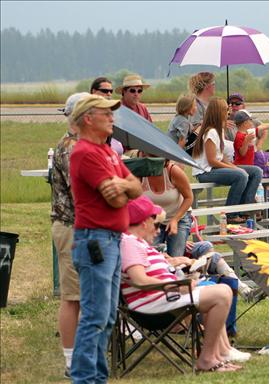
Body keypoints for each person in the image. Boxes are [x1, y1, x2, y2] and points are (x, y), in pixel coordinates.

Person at [120, 196, 250, 372]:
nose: (158, 231)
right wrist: (175, 286)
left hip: (162, 299)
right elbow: (139, 280)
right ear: (144, 222)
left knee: (218, 290)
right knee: (222, 293)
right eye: (156, 225)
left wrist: (181, 281)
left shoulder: (137, 243)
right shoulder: (129, 242)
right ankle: (208, 358)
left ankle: (219, 353)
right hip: (153, 305)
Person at [69, 94, 143, 383]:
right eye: (106, 113)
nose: (113, 118)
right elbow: (114, 202)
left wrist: (122, 184)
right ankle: (85, 378)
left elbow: (136, 188)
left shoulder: (108, 152)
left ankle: (96, 377)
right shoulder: (85, 152)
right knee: (95, 316)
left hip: (110, 240)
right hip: (95, 240)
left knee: (108, 317)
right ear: (88, 118)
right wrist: (124, 188)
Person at [50, 92, 88, 378]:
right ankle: (71, 359)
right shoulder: (71, 148)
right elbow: (81, 197)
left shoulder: (81, 146)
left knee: (84, 294)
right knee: (73, 296)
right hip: (72, 227)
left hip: (81, 227)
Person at [192, 98, 263, 224]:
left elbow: (222, 157)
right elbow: (212, 161)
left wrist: (233, 166)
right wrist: (234, 169)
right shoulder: (211, 132)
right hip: (205, 172)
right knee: (241, 175)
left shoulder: (219, 131)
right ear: (218, 112)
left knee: (256, 171)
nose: (229, 111)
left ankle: (246, 209)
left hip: (214, 168)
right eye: (226, 109)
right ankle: (230, 214)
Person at [141, 158, 193, 257]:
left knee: (175, 256)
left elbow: (189, 197)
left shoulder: (173, 171)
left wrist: (175, 220)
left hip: (178, 217)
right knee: (150, 255)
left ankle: (193, 250)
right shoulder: (139, 174)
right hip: (153, 220)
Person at [90, 76, 124, 156]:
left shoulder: (115, 112)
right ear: (93, 91)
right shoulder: (88, 113)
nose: (109, 94)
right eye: (105, 91)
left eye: (111, 91)